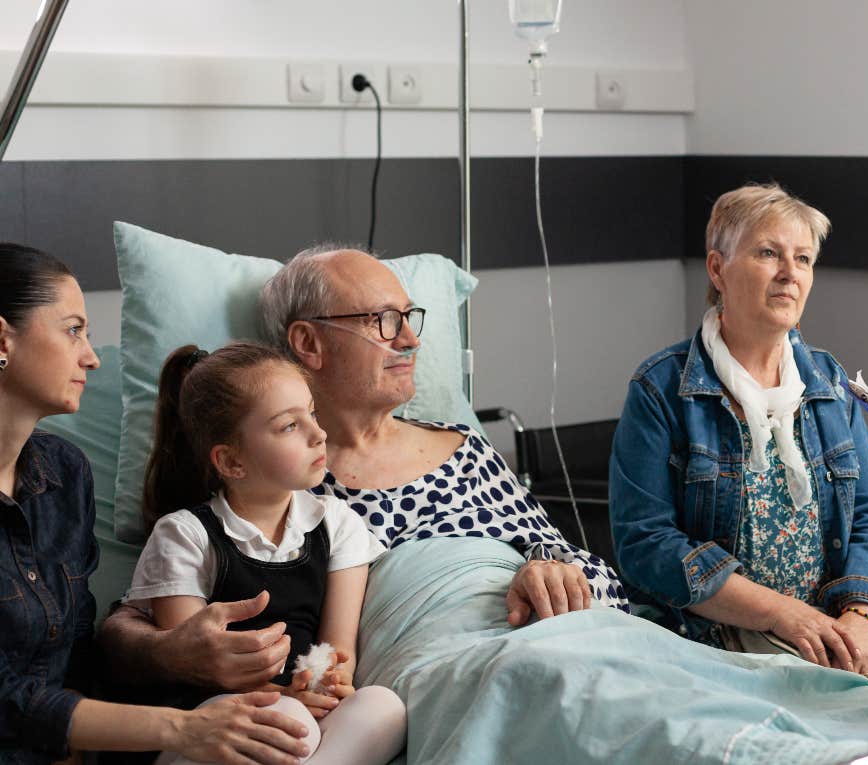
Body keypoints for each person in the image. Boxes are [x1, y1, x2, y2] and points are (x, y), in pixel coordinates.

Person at [99, 245, 627, 706]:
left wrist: (553, 571)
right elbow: (132, 624)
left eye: (409, 317)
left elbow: (599, 582)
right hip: (446, 673)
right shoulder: (274, 480)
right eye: (382, 320)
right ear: (308, 344)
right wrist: (171, 653)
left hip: (555, 639)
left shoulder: (464, 447)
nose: (410, 341)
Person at [609, 184, 868, 685]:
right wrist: (781, 614)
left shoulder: (827, 384)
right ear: (718, 269)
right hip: (707, 650)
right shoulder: (660, 389)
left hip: (829, 643)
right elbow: (646, 544)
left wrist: (862, 619)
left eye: (803, 259)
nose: (790, 273)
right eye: (768, 253)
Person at [0, 244, 312, 764]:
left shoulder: (64, 475)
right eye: (73, 329)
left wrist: (174, 657)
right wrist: (181, 728)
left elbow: (82, 649)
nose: (92, 357)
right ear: (1, 339)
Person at [129, 341, 406, 765]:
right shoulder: (184, 536)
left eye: (311, 413)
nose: (320, 433)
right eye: (289, 426)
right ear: (231, 461)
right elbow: (192, 668)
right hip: (208, 726)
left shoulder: (338, 523)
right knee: (284, 715)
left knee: (383, 707)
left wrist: (326, 684)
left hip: (302, 720)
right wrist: (285, 698)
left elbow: (336, 651)